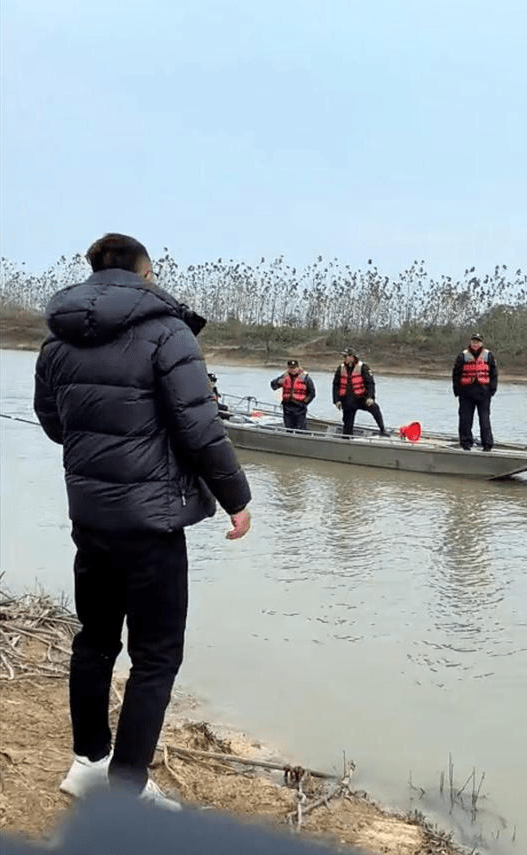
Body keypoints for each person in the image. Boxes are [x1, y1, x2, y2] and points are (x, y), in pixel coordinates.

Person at [33, 233, 252, 809]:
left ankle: (87, 763)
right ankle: (127, 784)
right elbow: (198, 428)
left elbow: (54, 421)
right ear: (143, 273)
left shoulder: (57, 339)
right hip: (152, 522)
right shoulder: (167, 332)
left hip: (90, 515)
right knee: (156, 654)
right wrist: (237, 497)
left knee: (96, 640)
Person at [452, 332, 498, 451]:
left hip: (483, 393)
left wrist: (492, 390)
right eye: (473, 341)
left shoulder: (488, 355)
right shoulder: (463, 356)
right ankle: (466, 443)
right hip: (466, 393)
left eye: (477, 341)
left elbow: (493, 374)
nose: (475, 344)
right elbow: (456, 374)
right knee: (465, 420)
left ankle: (487, 444)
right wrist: (457, 391)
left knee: (484, 420)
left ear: (481, 343)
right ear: (470, 343)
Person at [332, 347, 389, 436]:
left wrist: (370, 397)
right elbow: (335, 385)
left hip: (361, 398)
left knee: (375, 408)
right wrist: (336, 400)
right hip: (348, 401)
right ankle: (347, 439)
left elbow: (370, 383)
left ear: (352, 357)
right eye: (344, 356)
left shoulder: (363, 367)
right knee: (347, 425)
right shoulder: (340, 368)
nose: (344, 358)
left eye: (346, 356)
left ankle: (382, 430)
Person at [269, 359, 316, 430]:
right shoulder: (284, 376)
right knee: (288, 427)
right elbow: (273, 385)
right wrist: (279, 381)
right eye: (291, 368)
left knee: (300, 428)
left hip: (300, 407)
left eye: (295, 368)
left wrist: (305, 402)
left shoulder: (305, 378)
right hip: (287, 406)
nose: (293, 370)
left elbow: (312, 393)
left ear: (298, 368)